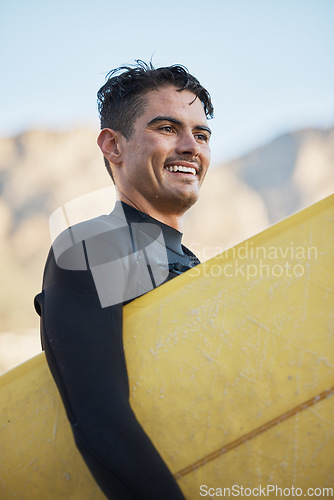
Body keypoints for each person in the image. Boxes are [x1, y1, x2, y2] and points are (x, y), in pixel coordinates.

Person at [34, 60, 214, 499]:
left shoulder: (185, 263)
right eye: (168, 128)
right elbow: (100, 423)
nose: (191, 146)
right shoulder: (93, 249)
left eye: (202, 134)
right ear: (113, 146)